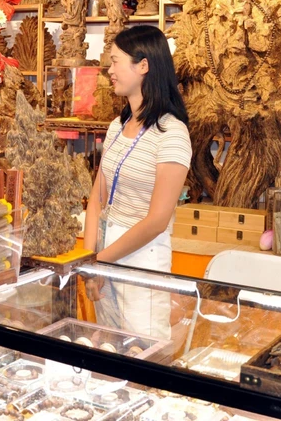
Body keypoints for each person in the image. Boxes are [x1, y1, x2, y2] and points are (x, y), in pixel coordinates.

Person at [83, 26, 191, 339]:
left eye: (116, 61)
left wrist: (100, 262)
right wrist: (91, 262)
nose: (109, 70)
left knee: (144, 351)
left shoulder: (172, 134)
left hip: (141, 260)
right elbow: (96, 199)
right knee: (109, 347)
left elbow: (157, 221)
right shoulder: (117, 126)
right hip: (105, 258)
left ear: (143, 66)